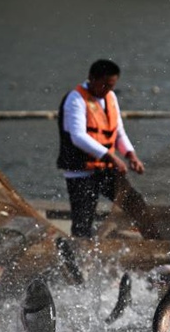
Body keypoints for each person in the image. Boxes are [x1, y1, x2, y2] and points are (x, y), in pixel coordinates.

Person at [56, 59, 160, 239]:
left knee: (135, 204)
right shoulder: (76, 99)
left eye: (111, 85)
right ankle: (79, 257)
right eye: (104, 84)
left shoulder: (110, 97)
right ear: (91, 78)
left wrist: (130, 155)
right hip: (81, 172)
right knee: (83, 220)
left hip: (105, 169)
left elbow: (118, 132)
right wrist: (111, 157)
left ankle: (155, 243)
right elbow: (78, 136)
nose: (107, 90)